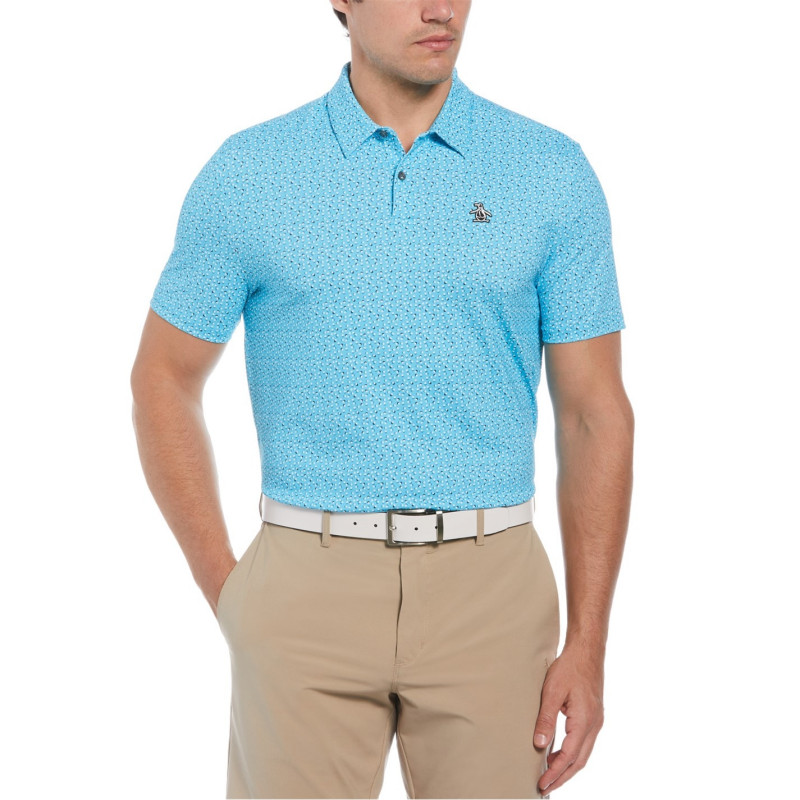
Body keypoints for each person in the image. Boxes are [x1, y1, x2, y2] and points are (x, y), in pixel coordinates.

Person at [130, 0, 634, 797]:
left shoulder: (548, 171)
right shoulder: (251, 173)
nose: (441, 10)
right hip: (304, 585)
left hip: (493, 592)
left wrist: (590, 642)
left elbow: (593, 414)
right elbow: (163, 375)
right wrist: (230, 592)